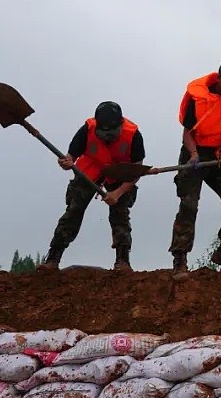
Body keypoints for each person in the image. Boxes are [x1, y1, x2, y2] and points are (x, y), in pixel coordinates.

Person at [169, 55, 221, 280]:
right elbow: (187, 132)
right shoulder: (198, 98)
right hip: (194, 152)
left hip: (218, 154)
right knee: (189, 205)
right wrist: (194, 154)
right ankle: (180, 260)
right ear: (220, 79)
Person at [38, 101, 145, 272]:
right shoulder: (87, 129)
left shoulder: (134, 135)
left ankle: (123, 261)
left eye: (112, 133)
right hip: (90, 170)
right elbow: (70, 157)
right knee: (73, 211)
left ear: (121, 125)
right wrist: (66, 163)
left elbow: (136, 171)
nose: (108, 136)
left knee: (120, 214)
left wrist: (118, 193)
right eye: (104, 133)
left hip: (120, 173)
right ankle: (53, 258)